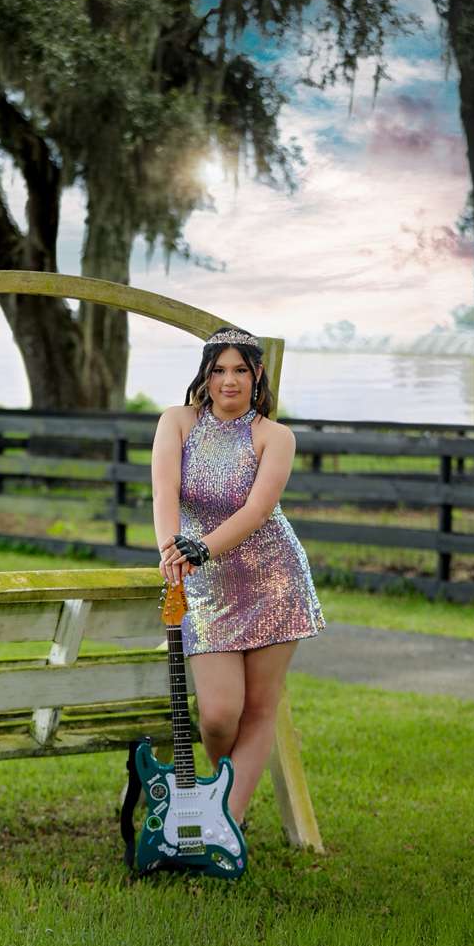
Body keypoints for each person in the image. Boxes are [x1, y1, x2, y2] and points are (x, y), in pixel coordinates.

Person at [150, 327, 326, 831]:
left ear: (257, 374)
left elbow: (257, 510)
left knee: (260, 708)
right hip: (205, 588)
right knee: (219, 715)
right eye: (220, 370)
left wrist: (203, 546)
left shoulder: (275, 436)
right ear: (206, 374)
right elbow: (164, 492)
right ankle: (222, 790)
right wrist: (171, 549)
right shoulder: (177, 422)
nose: (229, 381)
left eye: (241, 370)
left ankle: (227, 820)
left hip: (274, 581)